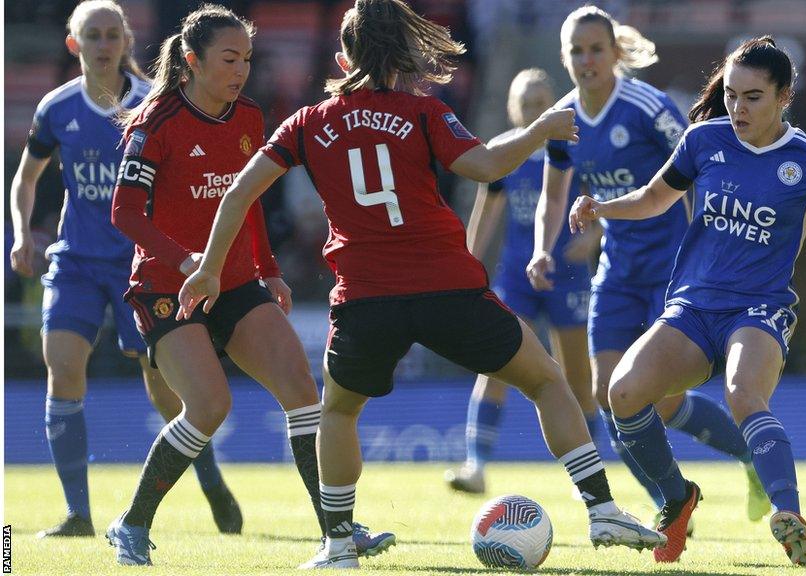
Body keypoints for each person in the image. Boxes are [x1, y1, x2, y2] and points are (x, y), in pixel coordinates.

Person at [178, 0, 665, 569]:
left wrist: (211, 266)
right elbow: (484, 167)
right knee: (547, 381)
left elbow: (237, 195)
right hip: (447, 287)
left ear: (344, 57)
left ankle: (337, 545)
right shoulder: (422, 112)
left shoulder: (306, 124)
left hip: (365, 298)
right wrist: (541, 130)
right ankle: (602, 509)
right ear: (402, 55)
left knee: (337, 413)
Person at [568, 35, 806, 566]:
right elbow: (656, 197)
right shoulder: (703, 141)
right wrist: (602, 207)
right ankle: (677, 500)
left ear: (784, 97)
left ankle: (788, 513)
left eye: (752, 97)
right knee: (623, 393)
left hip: (759, 310)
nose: (737, 107)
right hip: (693, 308)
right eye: (730, 95)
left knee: (744, 393)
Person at [102, 5, 393, 566]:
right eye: (229, 59)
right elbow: (125, 213)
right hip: (169, 287)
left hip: (235, 282)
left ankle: (338, 532)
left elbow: (248, 200)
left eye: (248, 59)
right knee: (209, 408)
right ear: (191, 61)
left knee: (306, 398)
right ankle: (131, 523)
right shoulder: (154, 122)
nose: (240, 70)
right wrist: (186, 262)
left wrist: (267, 268)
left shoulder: (249, 116)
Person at [527, 4, 768, 533]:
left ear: (615, 53)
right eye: (576, 51)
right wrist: (543, 248)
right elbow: (552, 196)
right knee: (607, 394)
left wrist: (717, 245)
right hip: (616, 271)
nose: (587, 60)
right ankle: (673, 500)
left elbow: (699, 165)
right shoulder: (562, 121)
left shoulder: (646, 106)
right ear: (565, 58)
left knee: (661, 400)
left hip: (672, 271)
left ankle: (749, 456)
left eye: (596, 49)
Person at [7, 0, 241, 539]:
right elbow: (26, 178)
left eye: (113, 34)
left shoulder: (153, 105)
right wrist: (22, 232)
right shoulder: (56, 108)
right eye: (93, 35)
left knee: (165, 391)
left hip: (143, 265)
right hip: (75, 262)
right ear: (75, 44)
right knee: (63, 368)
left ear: (127, 41)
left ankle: (210, 481)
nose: (104, 44)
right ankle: (78, 514)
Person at [444, 68, 600, 494]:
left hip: (567, 274)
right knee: (497, 365)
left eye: (541, 102)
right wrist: (468, 265)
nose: (534, 110)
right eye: (526, 103)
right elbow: (484, 215)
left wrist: (596, 237)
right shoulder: (502, 153)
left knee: (578, 379)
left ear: (554, 105)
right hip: (516, 276)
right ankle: (475, 465)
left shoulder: (575, 148)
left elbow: (603, 200)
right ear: (514, 109)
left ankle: (589, 473)